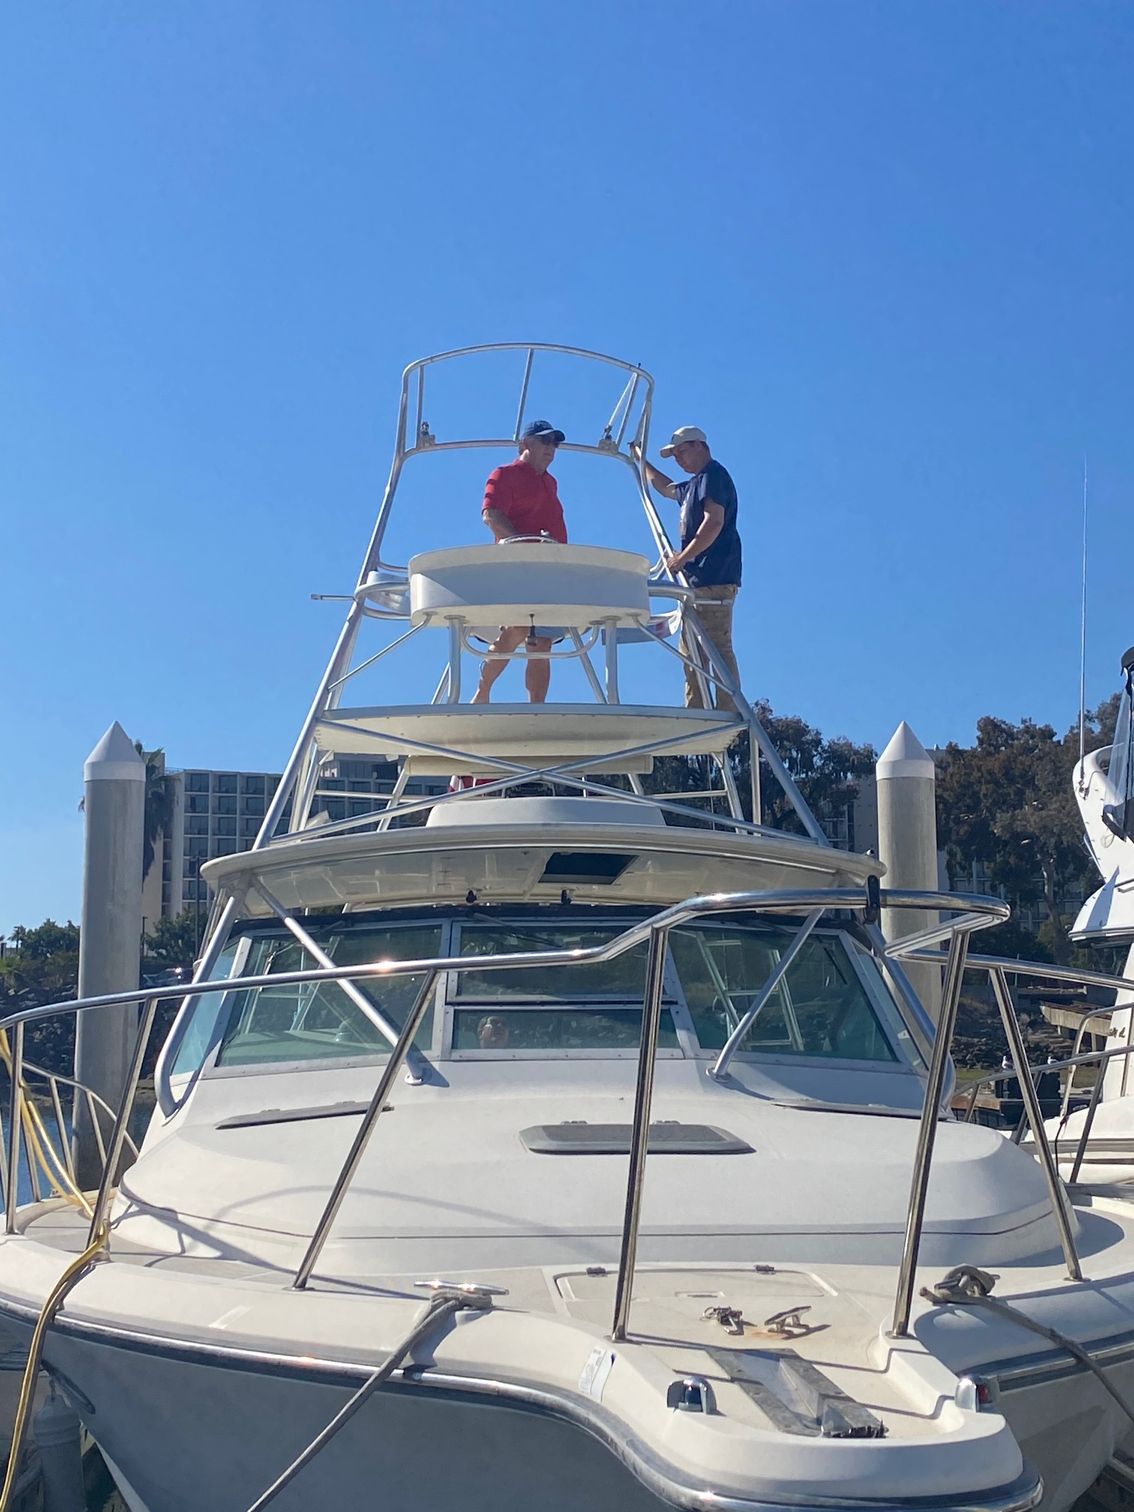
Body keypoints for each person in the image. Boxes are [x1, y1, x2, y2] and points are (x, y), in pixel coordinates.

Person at [631, 426, 742, 713]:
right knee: (692, 650)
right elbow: (666, 487)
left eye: (682, 451)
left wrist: (684, 557)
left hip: (713, 576)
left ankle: (727, 708)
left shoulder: (713, 476)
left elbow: (714, 522)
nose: (678, 459)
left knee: (715, 645)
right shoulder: (694, 485)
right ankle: (698, 709)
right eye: (675, 455)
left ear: (700, 446)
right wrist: (641, 460)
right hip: (696, 581)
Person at [472, 419, 568, 705]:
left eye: (555, 443)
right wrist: (522, 544)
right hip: (516, 569)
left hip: (549, 572)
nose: (551, 448)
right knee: (519, 628)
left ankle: (537, 710)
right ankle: (483, 691)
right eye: (545, 441)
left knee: (542, 643)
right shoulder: (504, 474)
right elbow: (491, 515)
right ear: (526, 444)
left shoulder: (551, 483)